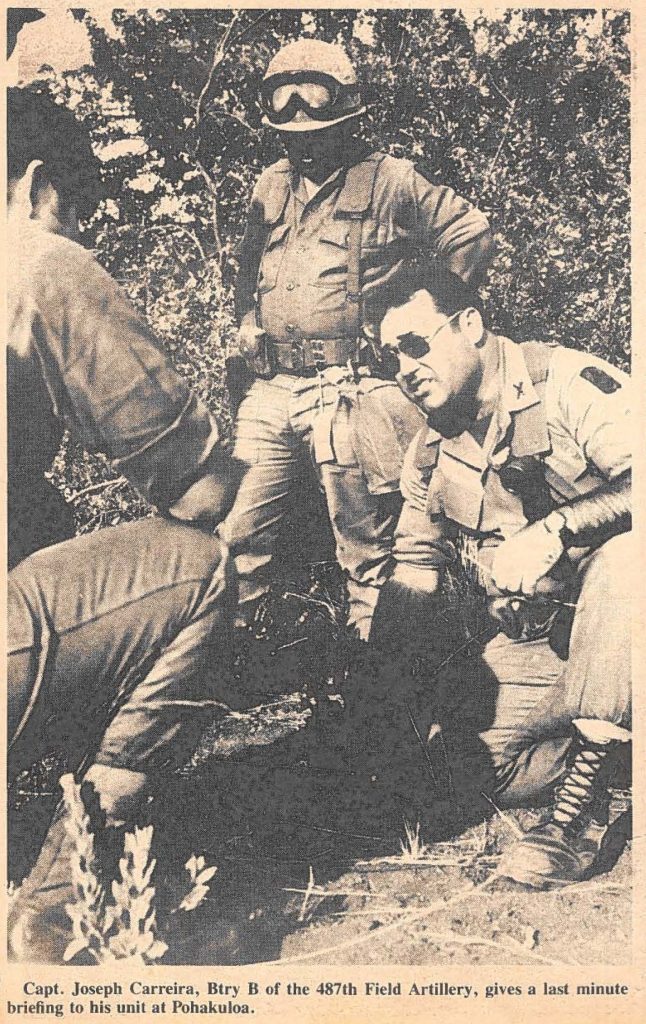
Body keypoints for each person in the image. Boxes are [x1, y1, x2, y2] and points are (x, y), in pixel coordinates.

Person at [6, 86, 239, 962]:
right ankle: (62, 908)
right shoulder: (37, 258)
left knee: (48, 521)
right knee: (199, 568)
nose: (82, 231)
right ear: (34, 185)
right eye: (79, 208)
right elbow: (199, 495)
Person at [221, 38, 493, 642]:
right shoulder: (269, 184)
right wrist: (245, 319)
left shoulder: (391, 180)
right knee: (237, 530)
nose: (301, 132)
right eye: (288, 122)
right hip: (274, 387)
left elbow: (471, 235)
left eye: (316, 117)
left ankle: (378, 666)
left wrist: (417, 326)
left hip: (353, 389)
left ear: (346, 116)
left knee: (367, 544)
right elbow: (244, 266)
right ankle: (230, 664)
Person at [372, 265, 631, 888]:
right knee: (475, 769)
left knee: (630, 559)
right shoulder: (431, 447)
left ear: (471, 326)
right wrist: (378, 705)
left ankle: (575, 822)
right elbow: (413, 572)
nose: (405, 367)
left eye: (416, 343)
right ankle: (615, 749)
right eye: (390, 357)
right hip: (548, 641)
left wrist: (556, 529)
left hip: (629, 612)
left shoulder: (567, 382)